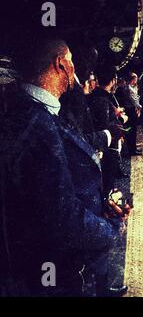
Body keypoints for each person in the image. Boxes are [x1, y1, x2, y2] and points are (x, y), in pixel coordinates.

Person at [0, 36, 131, 296]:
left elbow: (54, 188)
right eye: (71, 63)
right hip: (49, 273)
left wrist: (99, 210)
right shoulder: (37, 124)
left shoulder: (38, 113)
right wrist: (110, 228)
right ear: (60, 64)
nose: (75, 71)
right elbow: (61, 219)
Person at [88, 65, 127, 191]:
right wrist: (120, 120)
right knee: (108, 183)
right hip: (107, 151)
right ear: (113, 80)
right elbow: (104, 126)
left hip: (102, 150)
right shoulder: (103, 99)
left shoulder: (95, 96)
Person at [116, 72, 142, 156]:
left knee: (131, 131)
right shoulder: (129, 88)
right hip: (131, 111)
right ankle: (132, 150)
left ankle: (132, 149)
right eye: (136, 78)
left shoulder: (128, 87)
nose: (137, 80)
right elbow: (134, 100)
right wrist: (139, 107)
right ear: (133, 79)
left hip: (130, 110)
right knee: (132, 131)